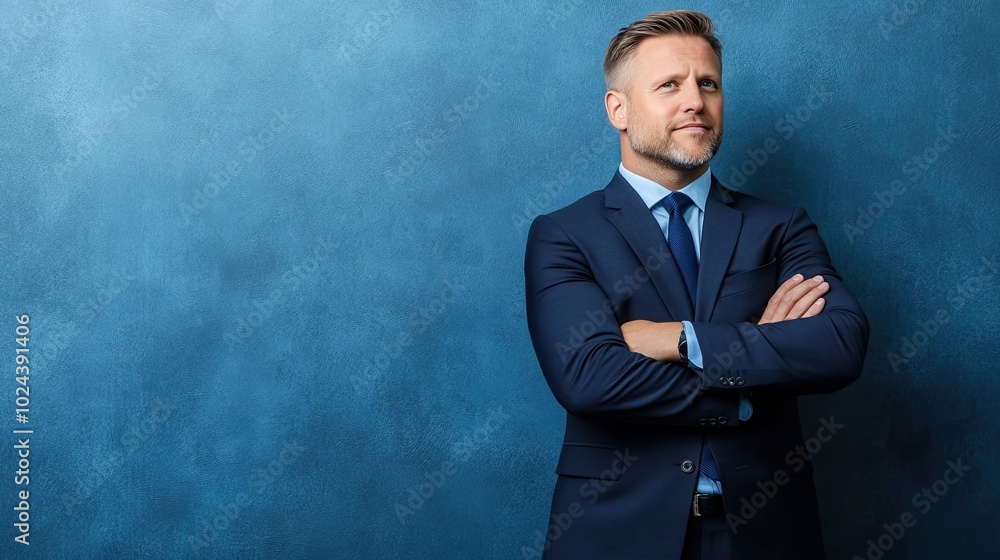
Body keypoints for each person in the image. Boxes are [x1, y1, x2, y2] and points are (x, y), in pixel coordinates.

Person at [523, 10, 869, 560]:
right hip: (615, 535)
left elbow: (841, 344)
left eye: (708, 83)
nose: (696, 101)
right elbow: (589, 377)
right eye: (669, 85)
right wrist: (752, 383)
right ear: (618, 108)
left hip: (768, 535)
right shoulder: (564, 235)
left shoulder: (780, 227)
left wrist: (680, 338)